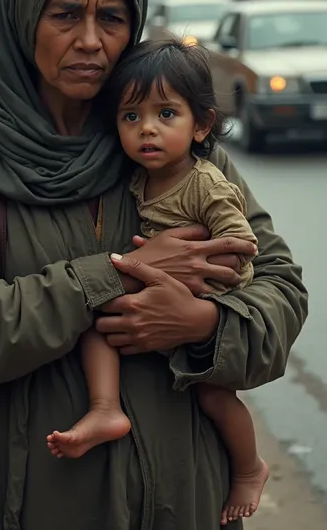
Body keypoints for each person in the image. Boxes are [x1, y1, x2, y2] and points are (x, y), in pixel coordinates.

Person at [0, 0, 307, 530]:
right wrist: (114, 277)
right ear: (21, 14)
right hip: (27, 502)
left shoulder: (175, 145)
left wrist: (201, 324)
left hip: (185, 500)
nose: (91, 40)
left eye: (111, 18)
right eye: (66, 14)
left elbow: (280, 292)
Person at [48, 38, 267, 524]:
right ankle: (106, 409)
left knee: (213, 395)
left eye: (166, 114)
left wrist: (197, 291)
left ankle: (250, 468)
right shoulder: (137, 178)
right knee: (96, 322)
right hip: (153, 289)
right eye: (131, 117)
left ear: (201, 125)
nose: (147, 129)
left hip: (207, 292)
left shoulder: (205, 182)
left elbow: (243, 244)